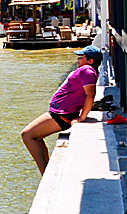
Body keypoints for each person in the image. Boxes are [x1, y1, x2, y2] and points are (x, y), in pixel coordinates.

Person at [21, 45, 101, 174]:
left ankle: (45, 173)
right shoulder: (85, 70)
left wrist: (82, 117)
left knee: (27, 135)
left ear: (90, 61)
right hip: (59, 112)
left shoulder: (87, 70)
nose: (78, 59)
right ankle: (47, 171)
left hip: (62, 114)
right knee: (36, 137)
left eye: (81, 57)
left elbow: (90, 95)